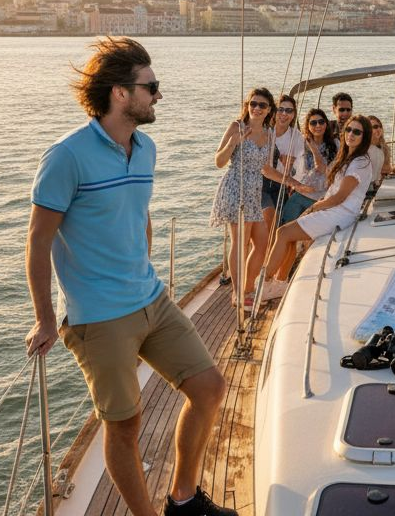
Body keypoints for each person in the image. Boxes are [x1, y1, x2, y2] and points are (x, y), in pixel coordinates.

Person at [24, 37, 235, 516]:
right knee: (124, 424)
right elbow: (38, 242)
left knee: (210, 389)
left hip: (151, 299)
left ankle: (182, 500)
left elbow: (140, 214)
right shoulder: (66, 156)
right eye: (151, 86)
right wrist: (43, 319)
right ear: (121, 93)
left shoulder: (146, 150)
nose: (158, 95)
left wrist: (143, 265)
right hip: (98, 318)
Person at [264, 115, 375, 290]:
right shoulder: (347, 157)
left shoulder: (360, 162)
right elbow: (330, 185)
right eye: (348, 129)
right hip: (333, 210)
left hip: (340, 213)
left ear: (364, 136)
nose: (350, 134)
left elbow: (340, 197)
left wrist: (314, 207)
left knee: (283, 232)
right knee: (288, 235)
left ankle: (264, 283)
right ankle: (279, 283)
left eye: (357, 132)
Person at [210, 88, 276, 312]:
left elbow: (266, 168)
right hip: (236, 187)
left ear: (269, 110)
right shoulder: (236, 126)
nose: (256, 108)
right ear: (247, 105)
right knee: (241, 242)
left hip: (254, 191)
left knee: (262, 242)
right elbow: (219, 161)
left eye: (262, 105)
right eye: (253, 104)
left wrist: (294, 183)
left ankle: (247, 287)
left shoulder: (269, 133)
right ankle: (238, 294)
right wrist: (232, 143)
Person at [279, 108, 335, 224]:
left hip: (322, 198)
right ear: (308, 126)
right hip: (300, 195)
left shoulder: (335, 145)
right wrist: (293, 185)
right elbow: (288, 164)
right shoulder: (300, 144)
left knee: (313, 236)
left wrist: (313, 148)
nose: (318, 125)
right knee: (286, 229)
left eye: (321, 122)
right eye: (313, 123)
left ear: (326, 124)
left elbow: (322, 169)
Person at [262, 94, 304, 232]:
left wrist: (289, 164)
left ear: (293, 115)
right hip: (260, 184)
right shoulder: (265, 132)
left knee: (279, 226)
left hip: (282, 185)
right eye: (280, 109)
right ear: (274, 111)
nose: (284, 114)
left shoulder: (296, 136)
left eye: (289, 111)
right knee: (267, 223)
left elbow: (299, 166)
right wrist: (283, 160)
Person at [367, 115, 392, 185]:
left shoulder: (383, 148)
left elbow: (387, 170)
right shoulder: (363, 149)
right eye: (375, 127)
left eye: (380, 126)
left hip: (379, 185)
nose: (379, 129)